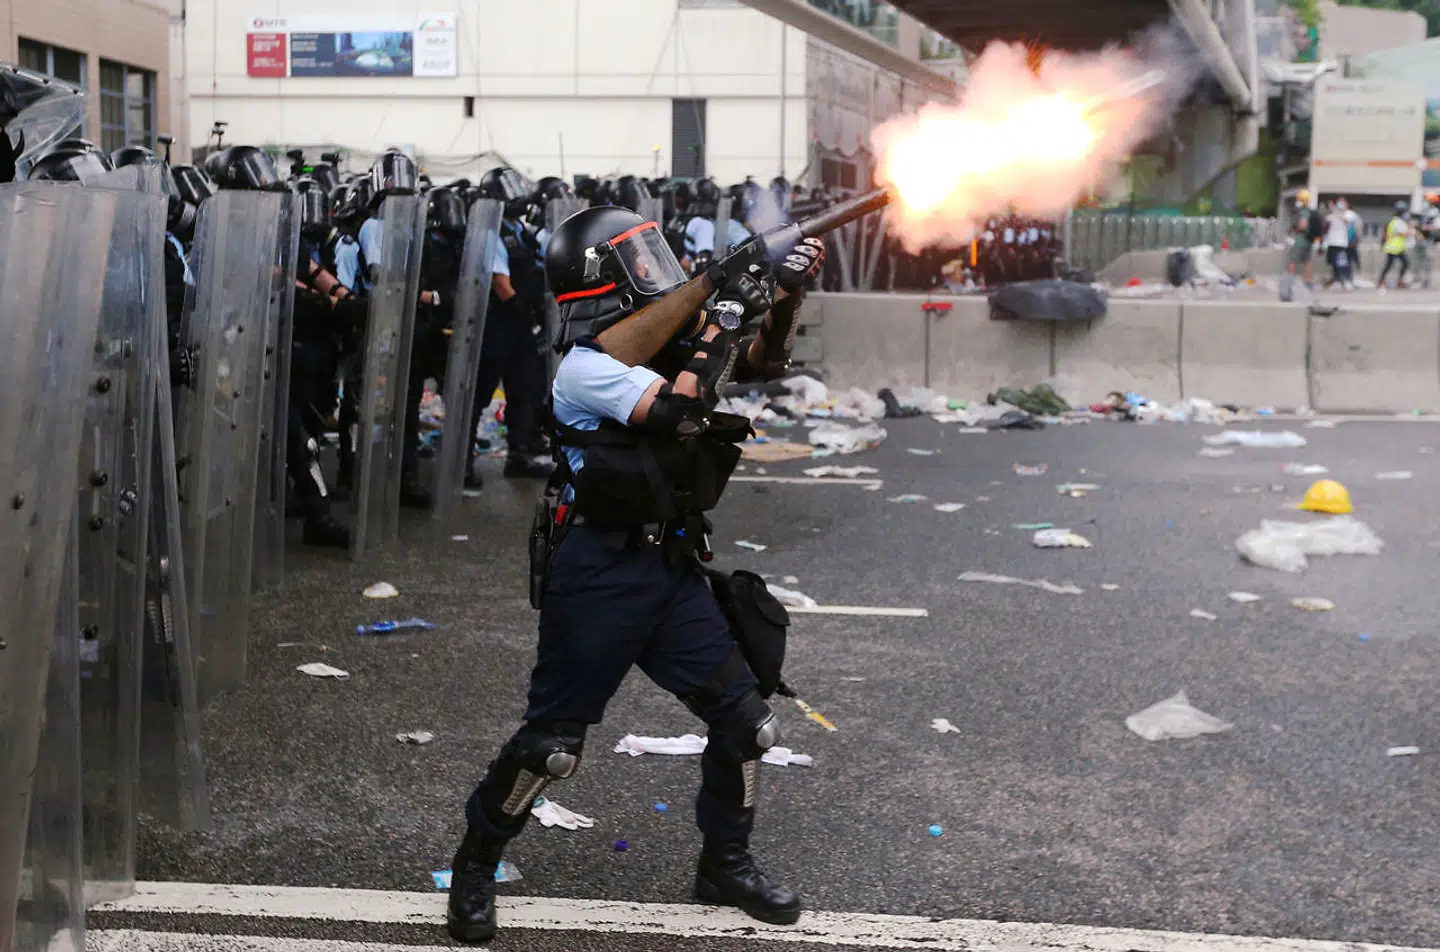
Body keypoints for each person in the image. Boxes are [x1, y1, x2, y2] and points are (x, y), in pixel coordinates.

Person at [443, 204, 825, 944]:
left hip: (668, 560)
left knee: (749, 725)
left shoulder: (659, 341)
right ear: (608, 280)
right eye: (640, 260)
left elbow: (757, 364)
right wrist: (725, 307)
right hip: (597, 572)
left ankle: (725, 862)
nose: (660, 270)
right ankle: (476, 864)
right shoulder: (585, 371)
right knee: (550, 749)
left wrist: (782, 298)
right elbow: (681, 409)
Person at [468, 166, 554, 483]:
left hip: (522, 323)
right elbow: (501, 285)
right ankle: (462, 463)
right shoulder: (489, 232)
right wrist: (528, 317)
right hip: (500, 322)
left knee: (525, 390)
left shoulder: (519, 229)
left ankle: (520, 455)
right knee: (481, 392)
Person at [1287, 190, 1322, 285]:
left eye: (1298, 199)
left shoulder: (1302, 213)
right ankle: (1307, 280)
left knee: (1292, 260)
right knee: (1307, 261)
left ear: (1302, 200)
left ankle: (1290, 281)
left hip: (1300, 240)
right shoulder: (1311, 212)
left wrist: (1293, 230)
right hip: (1309, 241)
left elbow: (1302, 226)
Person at [1322, 198, 1356, 290]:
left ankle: (1347, 281)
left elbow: (1346, 220)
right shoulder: (1332, 215)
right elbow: (1326, 223)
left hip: (1341, 243)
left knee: (1343, 263)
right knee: (1334, 263)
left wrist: (1335, 210)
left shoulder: (1349, 214)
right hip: (1332, 242)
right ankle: (1337, 280)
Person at [1378, 200, 1412, 291]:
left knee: (1404, 263)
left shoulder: (1395, 221)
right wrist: (1410, 230)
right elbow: (1404, 234)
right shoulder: (1397, 222)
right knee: (1390, 265)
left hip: (1398, 248)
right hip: (1393, 248)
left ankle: (1398, 281)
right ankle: (1382, 281)